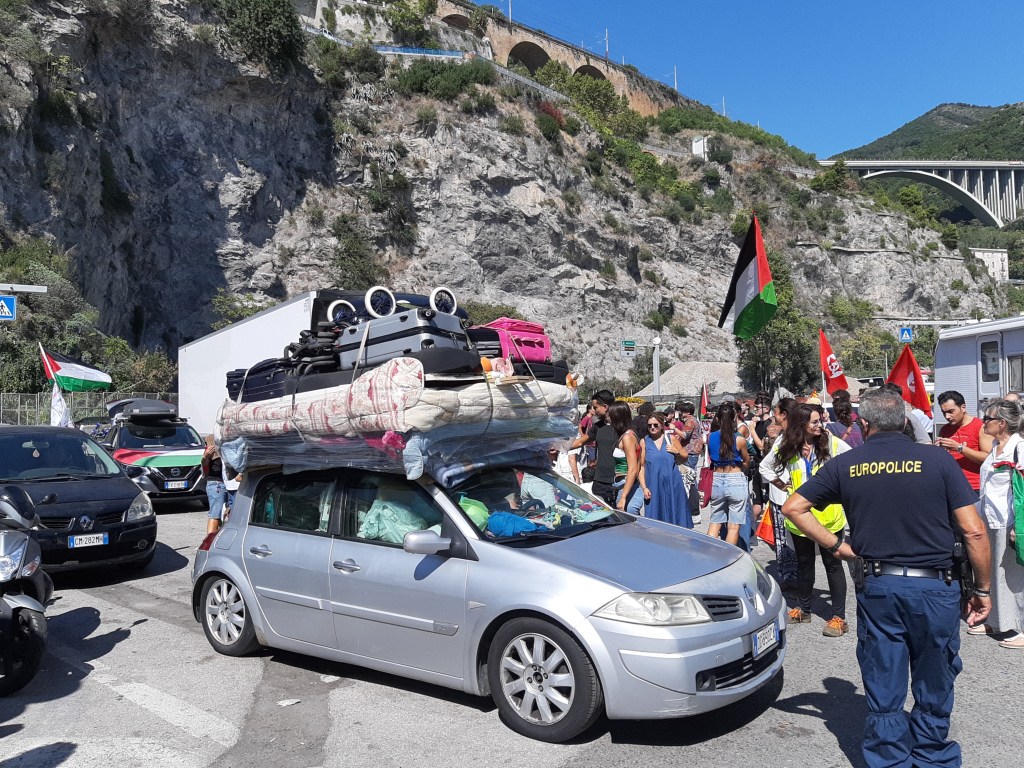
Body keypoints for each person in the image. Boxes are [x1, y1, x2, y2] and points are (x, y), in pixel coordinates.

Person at [781, 388, 992, 768]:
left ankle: (890, 761)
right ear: (906, 422)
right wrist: (983, 590)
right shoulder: (939, 460)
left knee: (885, 676)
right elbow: (974, 532)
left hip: (880, 587)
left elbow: (794, 507)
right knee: (935, 674)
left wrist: (837, 546)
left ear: (864, 424)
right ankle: (932, 757)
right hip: (936, 587)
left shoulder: (849, 463)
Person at [761, 403, 851, 635]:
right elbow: (765, 467)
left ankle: (839, 617)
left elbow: (852, 460)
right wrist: (783, 485)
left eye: (819, 420)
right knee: (804, 563)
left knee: (833, 564)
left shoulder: (831, 442)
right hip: (800, 518)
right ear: (801, 424)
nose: (819, 424)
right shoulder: (786, 444)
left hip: (829, 517)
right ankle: (804, 609)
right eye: (814, 421)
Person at [973, 398, 1024, 647]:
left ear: (1002, 423)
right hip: (991, 518)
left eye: (988, 419)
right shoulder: (995, 446)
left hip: (1010, 520)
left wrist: (1019, 526)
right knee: (993, 570)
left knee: (1013, 575)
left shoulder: (1019, 448)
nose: (983, 422)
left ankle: (1020, 628)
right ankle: (996, 619)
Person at [762, 397, 799, 585]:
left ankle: (789, 576)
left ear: (784, 414)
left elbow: (764, 466)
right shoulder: (790, 436)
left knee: (784, 539)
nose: (773, 415)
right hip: (793, 496)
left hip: (785, 497)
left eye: (775, 411)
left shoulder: (786, 438)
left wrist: (781, 484)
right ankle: (794, 576)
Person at [706, 402, 750, 546]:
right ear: (734, 418)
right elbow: (746, 460)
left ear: (717, 419)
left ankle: (709, 553)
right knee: (733, 526)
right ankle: (728, 557)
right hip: (735, 478)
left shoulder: (710, 437)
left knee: (715, 521)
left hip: (717, 478)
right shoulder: (739, 439)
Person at [936, 389, 994, 494]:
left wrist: (959, 448)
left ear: (963, 407)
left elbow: (988, 458)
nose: (947, 416)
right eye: (943, 412)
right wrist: (937, 450)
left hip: (975, 487)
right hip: (951, 485)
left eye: (950, 411)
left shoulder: (980, 426)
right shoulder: (945, 430)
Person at [638, 413, 691, 527]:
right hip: (653, 484)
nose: (652, 427)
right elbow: (641, 466)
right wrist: (644, 487)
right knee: (655, 516)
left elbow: (685, 456)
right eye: (649, 425)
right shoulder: (644, 441)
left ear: (662, 425)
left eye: (655, 425)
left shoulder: (670, 438)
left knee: (675, 512)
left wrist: (676, 451)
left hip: (672, 483)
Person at [571, 391, 617, 504]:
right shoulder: (598, 427)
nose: (594, 411)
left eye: (596, 407)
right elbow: (580, 442)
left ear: (605, 407)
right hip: (600, 481)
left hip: (618, 480)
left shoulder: (621, 427)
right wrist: (557, 446)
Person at [606, 401, 643, 514]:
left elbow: (632, 469)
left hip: (626, 484)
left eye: (609, 414)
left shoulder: (627, 437)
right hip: (621, 484)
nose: (607, 417)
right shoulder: (626, 434)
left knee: (628, 519)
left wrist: (623, 497)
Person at [676, 400, 704, 524]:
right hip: (692, 451)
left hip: (690, 452)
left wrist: (673, 429)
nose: (680, 414)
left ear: (687, 412)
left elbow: (685, 435)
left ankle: (694, 511)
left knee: (689, 480)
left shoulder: (690, 421)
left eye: (682, 411)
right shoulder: (691, 420)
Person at [202, 437, 228, 534]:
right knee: (215, 514)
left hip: (230, 483)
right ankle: (208, 543)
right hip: (217, 483)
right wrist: (206, 456)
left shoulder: (230, 441)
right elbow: (204, 465)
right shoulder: (212, 441)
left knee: (228, 515)